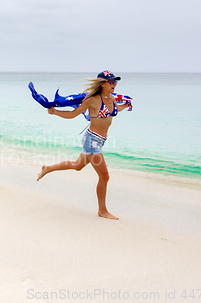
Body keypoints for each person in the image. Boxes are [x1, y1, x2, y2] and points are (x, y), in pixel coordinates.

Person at [36, 71, 130, 220]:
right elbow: (73, 114)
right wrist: (55, 112)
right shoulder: (92, 100)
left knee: (77, 165)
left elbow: (115, 110)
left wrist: (125, 105)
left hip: (99, 141)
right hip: (92, 141)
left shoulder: (111, 98)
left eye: (115, 81)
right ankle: (102, 210)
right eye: (111, 81)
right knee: (104, 176)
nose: (114, 84)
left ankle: (47, 168)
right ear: (102, 84)